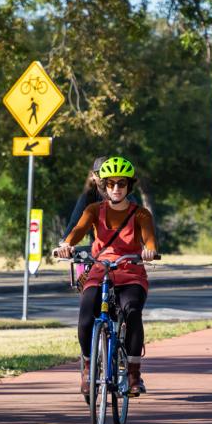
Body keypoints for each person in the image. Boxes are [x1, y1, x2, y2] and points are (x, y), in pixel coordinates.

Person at [53, 156, 158, 396]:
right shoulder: (93, 210)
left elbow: (150, 239)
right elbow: (77, 231)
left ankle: (133, 374)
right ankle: (89, 366)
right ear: (103, 186)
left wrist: (149, 251)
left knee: (131, 310)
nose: (116, 188)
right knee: (86, 313)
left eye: (121, 183)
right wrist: (66, 245)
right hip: (99, 271)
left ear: (129, 186)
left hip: (130, 272)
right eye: (110, 184)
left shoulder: (141, 214)